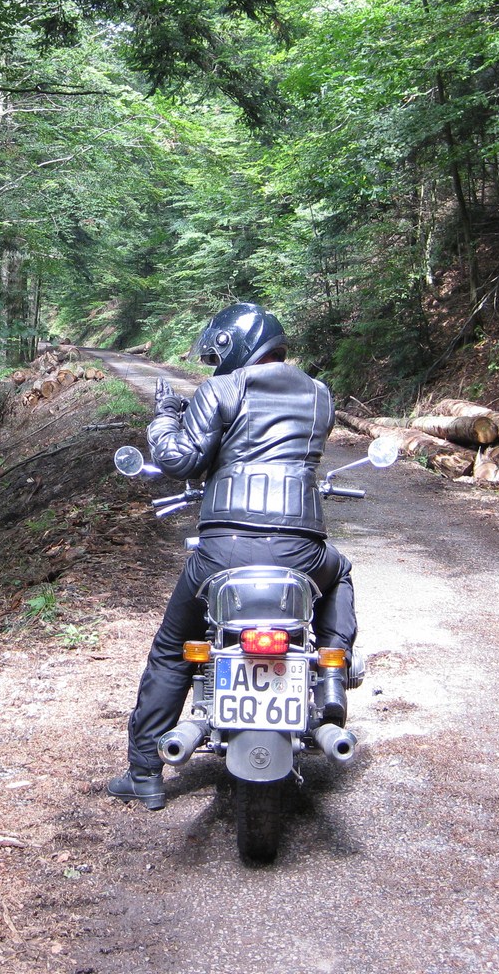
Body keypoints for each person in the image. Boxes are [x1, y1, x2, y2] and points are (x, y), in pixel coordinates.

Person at [107, 302, 357, 810]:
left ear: (237, 347)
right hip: (300, 550)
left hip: (223, 551)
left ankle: (145, 773)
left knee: (175, 645)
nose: (216, 363)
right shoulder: (320, 394)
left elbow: (181, 460)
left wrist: (163, 419)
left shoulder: (222, 389)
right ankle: (332, 671)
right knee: (341, 572)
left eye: (219, 352)